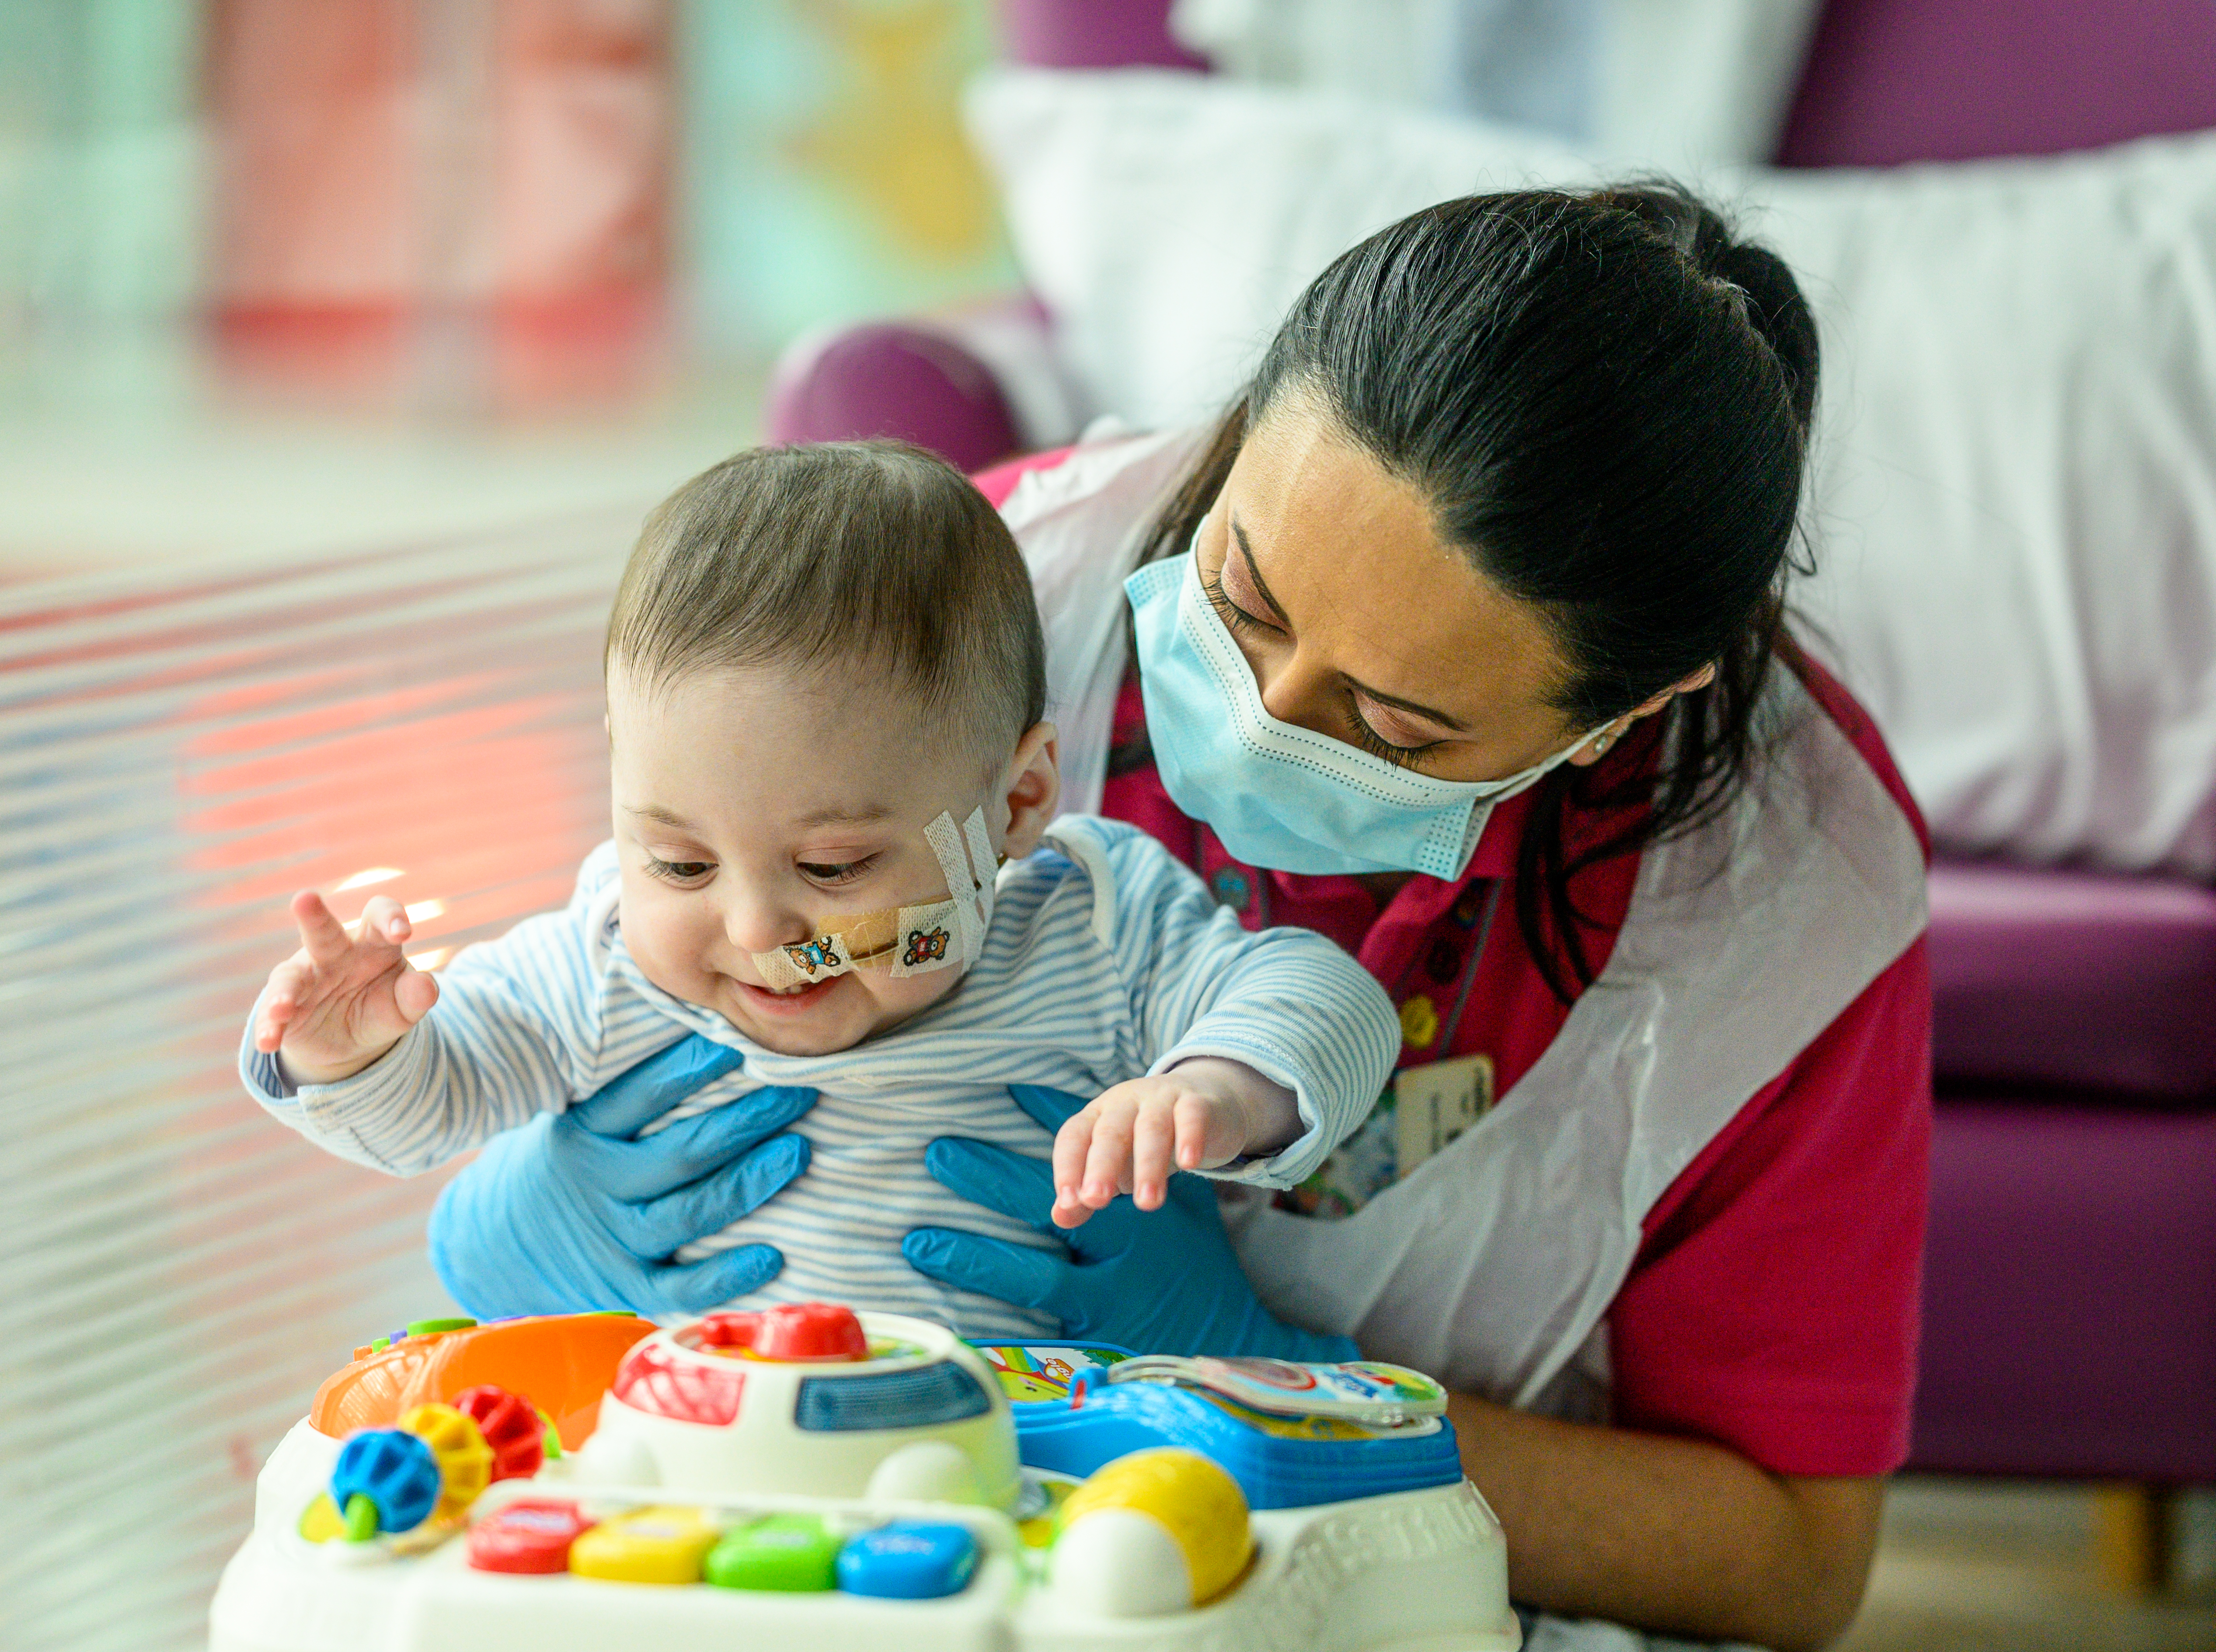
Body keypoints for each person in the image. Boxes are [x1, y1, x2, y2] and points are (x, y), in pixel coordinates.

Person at [431, 186, 1930, 1652]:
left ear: (1634, 706)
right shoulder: (955, 616)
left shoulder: (1789, 904)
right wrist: (526, 1228)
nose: (1268, 709)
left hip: (1392, 1598)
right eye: (1244, 596)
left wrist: (1271, 1385)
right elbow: (626, 940)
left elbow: (1793, 1567)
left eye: (1396, 728)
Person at [238, 440, 1398, 1335]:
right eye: (679, 862)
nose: (752, 929)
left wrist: (1218, 1088)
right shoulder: (606, 959)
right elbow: (432, 1107)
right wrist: (350, 1053)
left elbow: (1328, 1000)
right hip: (693, 1490)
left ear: (1014, 804)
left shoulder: (1090, 925)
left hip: (1034, 1490)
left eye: (834, 868)